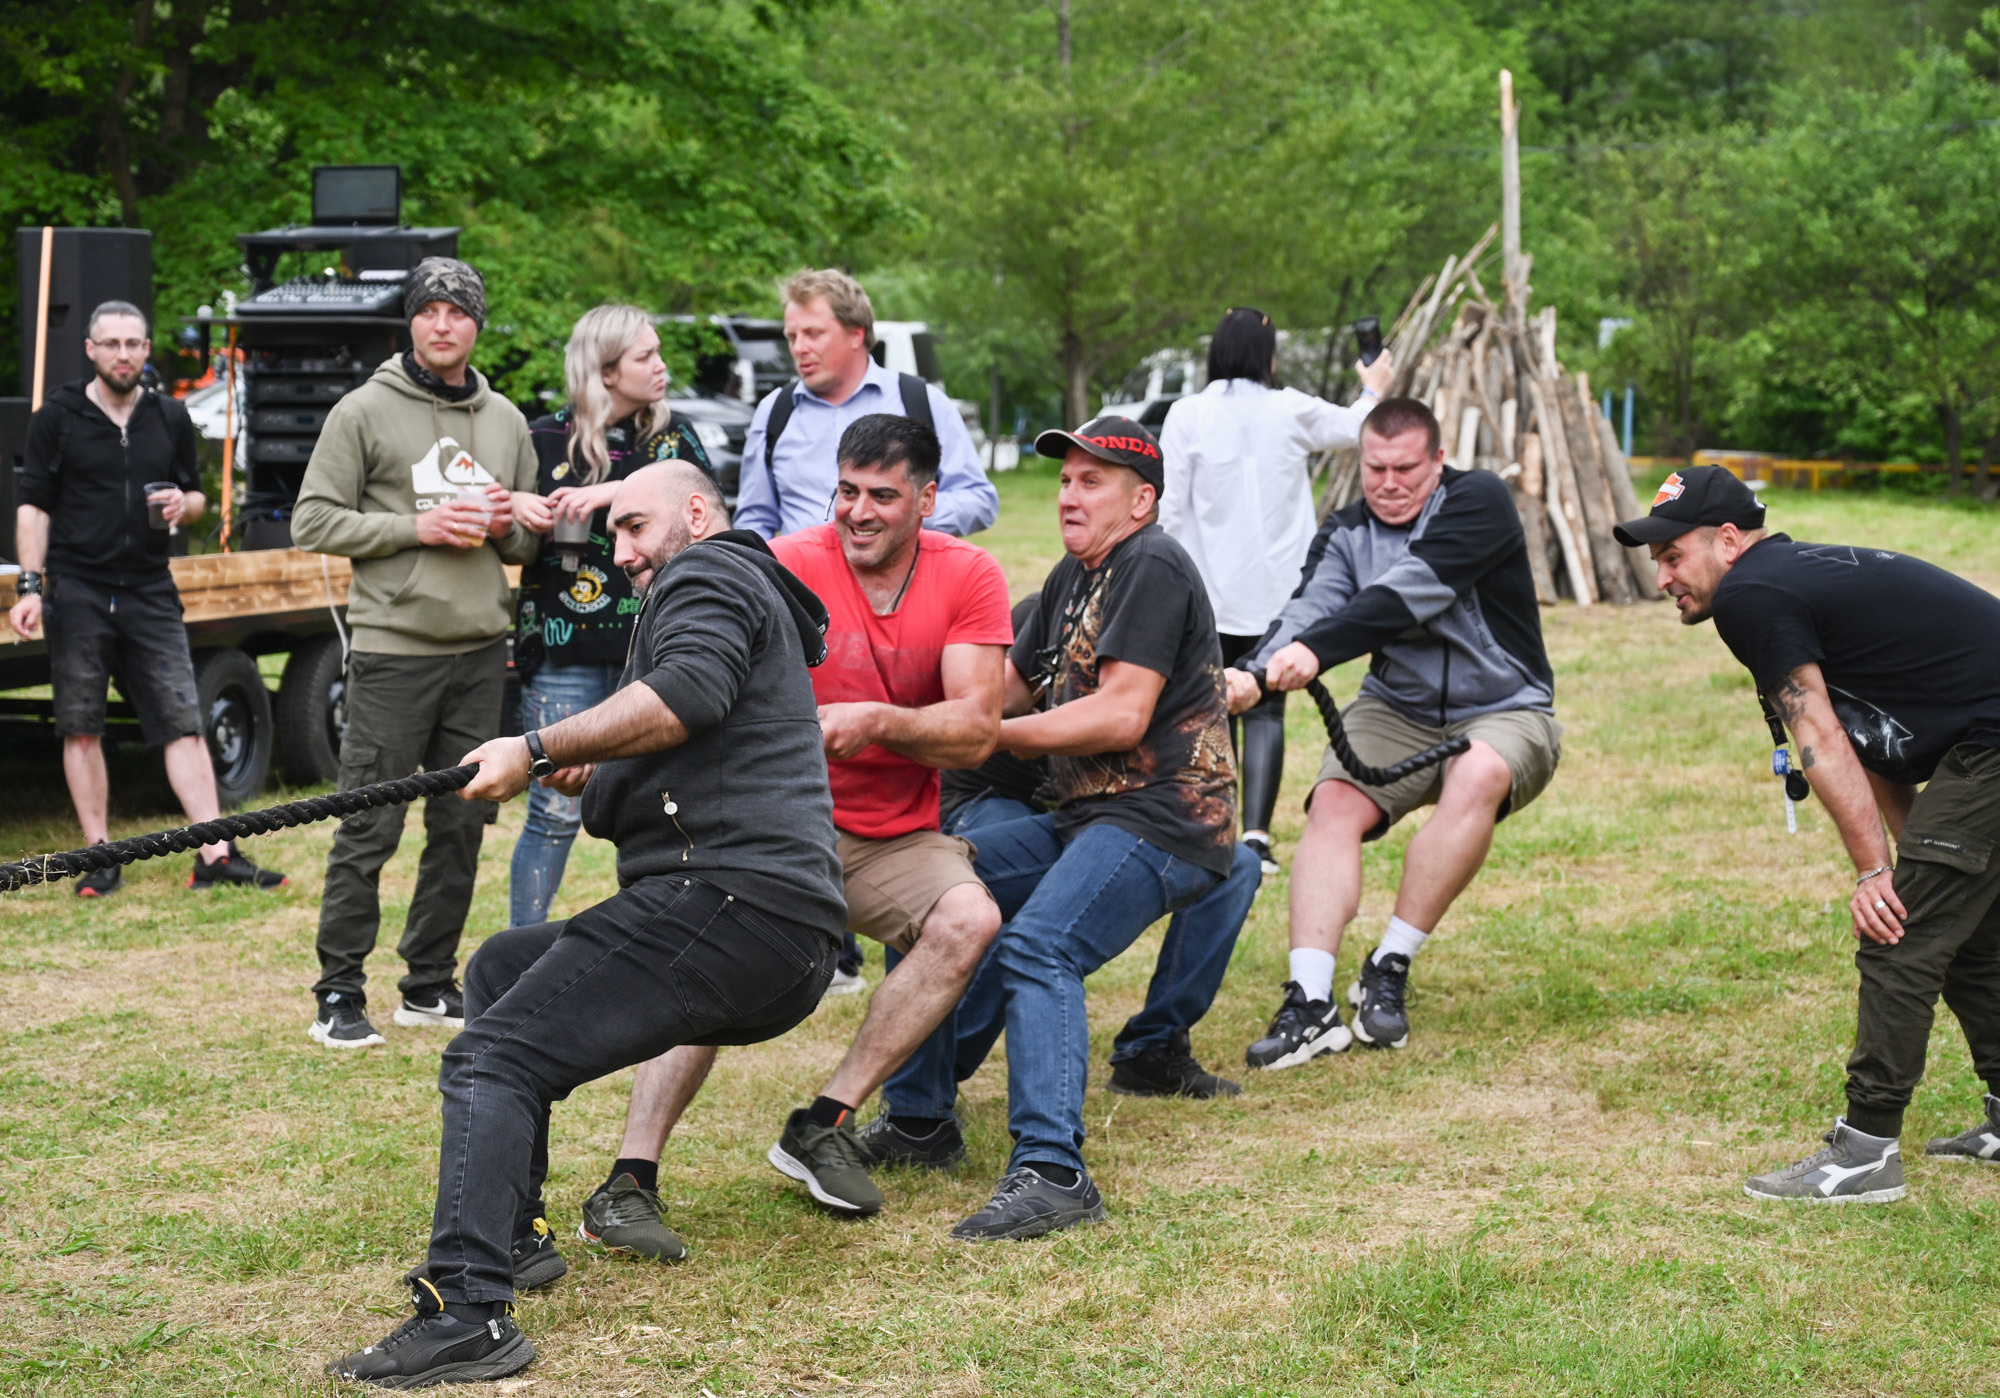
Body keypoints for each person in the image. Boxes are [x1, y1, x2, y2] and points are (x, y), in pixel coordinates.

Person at [326, 461, 845, 1389]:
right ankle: (517, 1237)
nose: (625, 552)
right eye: (613, 534)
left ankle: (470, 1312)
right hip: (773, 928)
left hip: (732, 904)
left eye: (636, 526)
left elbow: (688, 693)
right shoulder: (727, 588)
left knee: (490, 1058)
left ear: (696, 511)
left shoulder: (712, 571)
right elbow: (688, 737)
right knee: (500, 970)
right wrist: (592, 772)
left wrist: (535, 748)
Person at [559, 413, 1013, 1250]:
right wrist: (599, 754)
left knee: (969, 919)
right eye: (846, 491)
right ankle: (629, 1178)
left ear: (927, 500)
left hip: (891, 837)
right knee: (709, 954)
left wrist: (878, 721)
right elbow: (679, 686)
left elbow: (976, 729)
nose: (858, 511)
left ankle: (826, 1119)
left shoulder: (970, 574)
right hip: (767, 828)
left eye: (883, 495)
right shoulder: (779, 565)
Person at [885, 415, 1259, 1241]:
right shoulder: (1071, 577)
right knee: (923, 889)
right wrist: (903, 717)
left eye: (1092, 482)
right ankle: (918, 1120)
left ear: (1142, 500)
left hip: (1166, 819)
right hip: (1089, 817)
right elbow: (1007, 690)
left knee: (1039, 947)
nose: (1069, 495)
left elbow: (1122, 715)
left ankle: (1054, 1172)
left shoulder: (1152, 563)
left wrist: (985, 736)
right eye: (1063, 480)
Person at [1616, 466, 2000, 1204]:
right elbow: (1870, 737)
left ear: (1728, 541)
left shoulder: (1754, 595)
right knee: (1967, 932)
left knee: (1900, 932)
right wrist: (1913, 850)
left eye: (1672, 558)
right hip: (1981, 743)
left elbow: (1818, 730)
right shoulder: (1791, 577)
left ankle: (1864, 1155)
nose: (1662, 578)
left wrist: (1874, 873)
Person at [1226, 397, 1559, 1069]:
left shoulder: (1480, 501)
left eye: (1406, 467)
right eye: (1375, 468)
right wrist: (1252, 674)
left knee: (1482, 771)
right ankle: (1311, 1003)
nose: (1389, 483)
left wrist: (1318, 651)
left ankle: (1389, 964)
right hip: (1395, 705)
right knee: (1331, 805)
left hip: (1505, 704)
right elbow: (1309, 606)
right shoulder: (1346, 530)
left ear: (1438, 460)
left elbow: (1408, 590)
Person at [291, 257, 540, 1050]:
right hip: (395, 649)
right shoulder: (363, 411)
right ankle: (339, 992)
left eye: (457, 311)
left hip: (479, 648)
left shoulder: (504, 419)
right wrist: (415, 527)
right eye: (428, 310)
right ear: (411, 321)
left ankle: (430, 983)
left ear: (476, 324)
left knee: (462, 825)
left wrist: (505, 523)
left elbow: (529, 536)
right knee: (369, 822)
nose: (442, 323)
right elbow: (313, 522)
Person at [737, 266, 1000, 993]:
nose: (799, 347)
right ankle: (805, 927)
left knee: (886, 766)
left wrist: (892, 533)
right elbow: (754, 520)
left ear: (857, 333)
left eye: (812, 332)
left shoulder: (919, 401)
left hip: (896, 609)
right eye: (791, 335)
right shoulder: (776, 414)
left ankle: (868, 938)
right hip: (795, 617)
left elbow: (977, 494)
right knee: (796, 764)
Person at [8, 299, 285, 896]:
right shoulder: (58, 416)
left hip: (151, 588)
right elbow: (33, 506)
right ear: (91, 350)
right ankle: (101, 856)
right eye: (112, 344)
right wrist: (30, 587)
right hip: (78, 588)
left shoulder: (170, 416)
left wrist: (182, 507)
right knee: (81, 727)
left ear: (145, 348)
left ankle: (214, 853)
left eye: (134, 344)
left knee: (182, 723)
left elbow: (196, 497)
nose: (124, 355)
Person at [940, 597, 1261, 1101]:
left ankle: (1153, 1050)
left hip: (1096, 809)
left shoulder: (1166, 625)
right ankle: (938, 1068)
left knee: (1234, 862)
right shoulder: (1049, 616)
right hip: (994, 797)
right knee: (1039, 901)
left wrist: (1214, 694)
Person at [1160, 307, 1396, 874]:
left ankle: (1212, 826)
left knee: (1207, 707)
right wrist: (1373, 388)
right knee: (1266, 708)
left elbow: (1168, 503)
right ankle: (1258, 837)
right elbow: (1357, 428)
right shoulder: (1290, 408)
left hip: (1204, 589)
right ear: (1268, 355)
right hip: (1278, 592)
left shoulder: (1187, 414)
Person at [506, 304, 717, 929]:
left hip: (655, 649)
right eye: (646, 356)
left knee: (671, 801)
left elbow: (707, 496)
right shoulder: (542, 438)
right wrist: (516, 504)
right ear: (604, 369)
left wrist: (612, 491)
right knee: (552, 812)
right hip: (563, 646)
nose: (662, 367)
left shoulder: (671, 440)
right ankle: (523, 959)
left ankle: (673, 938)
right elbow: (505, 527)